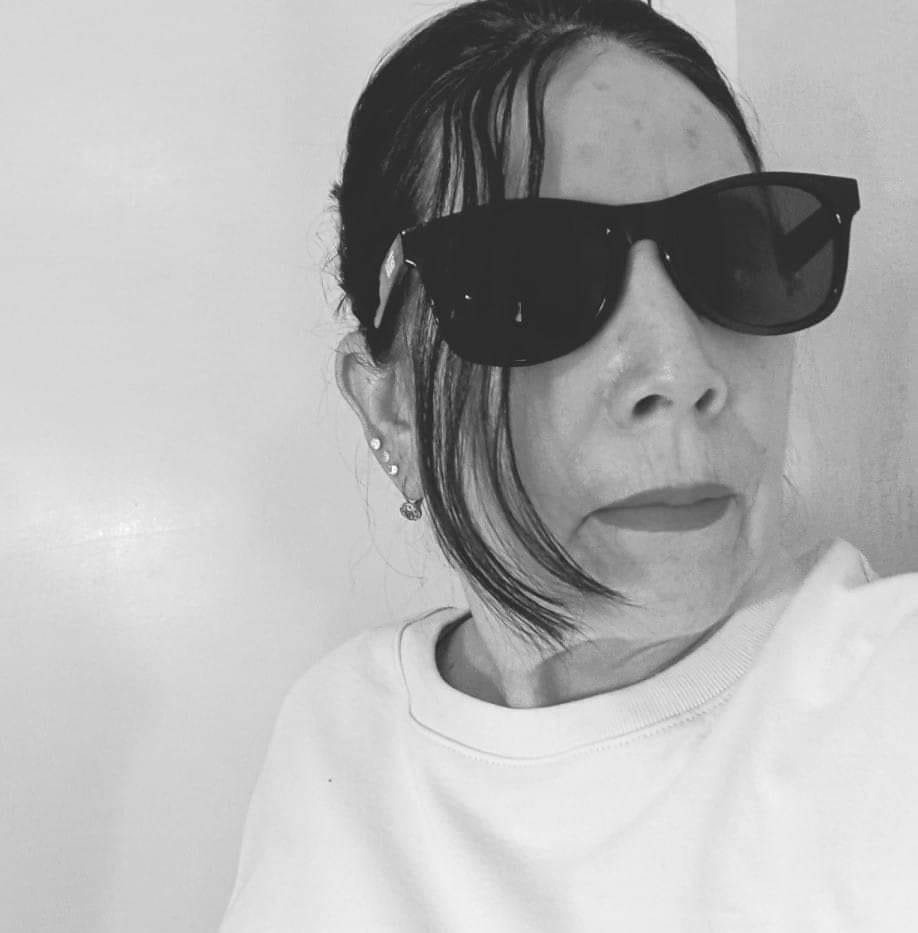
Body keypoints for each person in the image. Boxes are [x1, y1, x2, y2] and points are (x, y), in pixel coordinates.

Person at [220, 1, 918, 929]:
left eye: (733, 254)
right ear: (393, 407)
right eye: (529, 282)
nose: (681, 372)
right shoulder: (335, 733)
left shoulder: (889, 701)